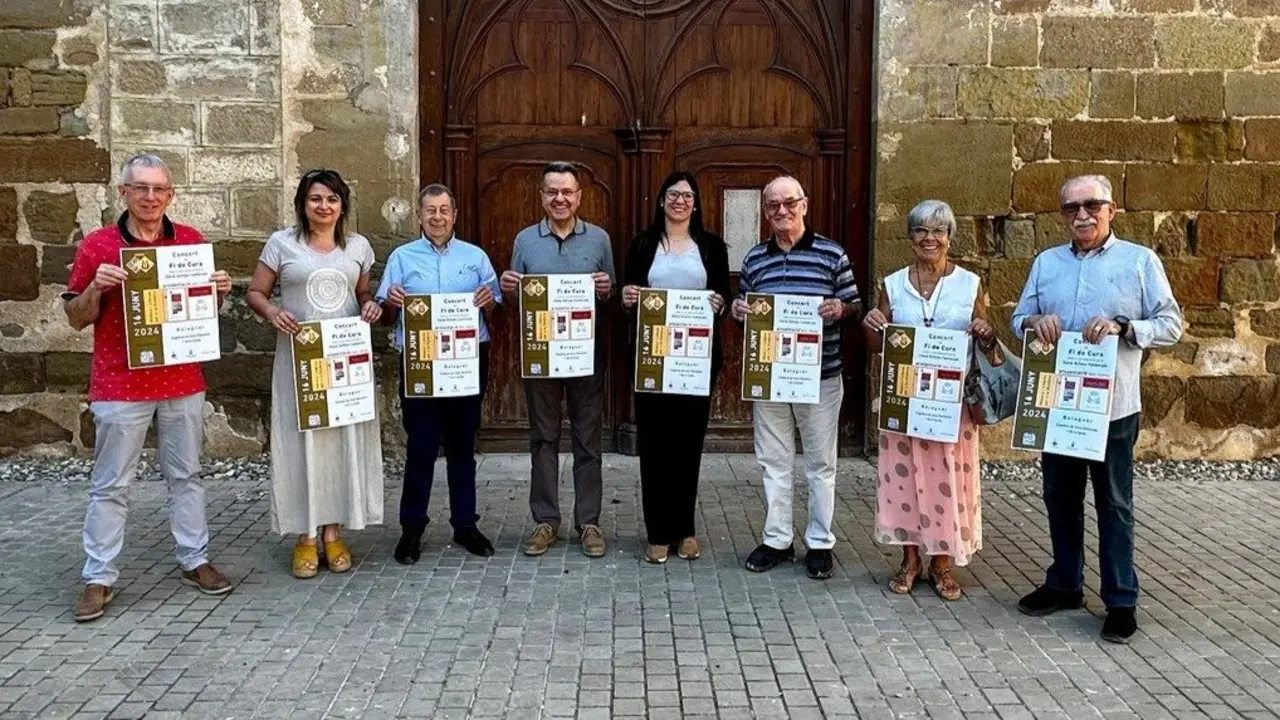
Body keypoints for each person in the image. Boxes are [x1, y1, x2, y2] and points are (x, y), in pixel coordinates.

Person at [1011, 175, 1183, 643]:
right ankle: (1065, 583)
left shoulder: (1140, 262)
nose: (1081, 215)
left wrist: (1125, 327)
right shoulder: (1047, 263)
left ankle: (1121, 599)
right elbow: (1016, 318)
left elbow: (1172, 324)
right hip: (1058, 404)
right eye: (1071, 208)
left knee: (1115, 502)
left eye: (1091, 205)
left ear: (1111, 210)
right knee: (1059, 497)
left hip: (1114, 406)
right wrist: (1033, 320)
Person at [64, 153, 234, 622]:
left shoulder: (191, 243)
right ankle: (98, 576)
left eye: (159, 189)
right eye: (140, 188)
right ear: (123, 192)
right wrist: (96, 289)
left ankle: (195, 559)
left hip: (182, 381)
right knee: (111, 484)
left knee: (187, 476)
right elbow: (75, 318)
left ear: (171, 194)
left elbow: (200, 320)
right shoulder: (98, 246)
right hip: (119, 384)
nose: (150, 197)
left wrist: (215, 293)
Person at [245, 169, 385, 579]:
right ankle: (304, 535)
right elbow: (256, 291)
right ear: (302, 204)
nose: (324, 207)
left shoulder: (357, 246)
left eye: (332, 200)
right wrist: (272, 312)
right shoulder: (281, 244)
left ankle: (333, 531)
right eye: (315, 199)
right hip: (298, 358)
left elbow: (362, 293)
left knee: (341, 440)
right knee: (300, 438)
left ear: (342, 206)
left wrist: (370, 306)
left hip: (344, 361)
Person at [730, 176, 861, 580]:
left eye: (789, 203)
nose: (781, 211)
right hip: (769, 375)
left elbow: (855, 306)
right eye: (773, 205)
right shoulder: (754, 259)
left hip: (819, 376)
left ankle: (820, 542)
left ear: (805, 204)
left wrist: (841, 310)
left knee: (821, 463)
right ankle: (777, 540)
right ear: (765, 211)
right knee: (773, 460)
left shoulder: (831, 254)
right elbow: (748, 311)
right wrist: (739, 314)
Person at [862, 200, 994, 601]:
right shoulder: (893, 283)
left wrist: (985, 330)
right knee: (904, 481)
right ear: (910, 238)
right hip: (904, 398)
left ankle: (942, 563)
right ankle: (910, 559)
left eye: (938, 231)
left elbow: (987, 344)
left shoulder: (970, 284)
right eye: (921, 230)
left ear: (950, 237)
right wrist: (872, 325)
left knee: (947, 481)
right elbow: (875, 346)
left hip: (950, 403)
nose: (930, 238)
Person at [377, 184, 500, 562]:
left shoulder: (475, 256)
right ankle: (412, 529)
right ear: (419, 216)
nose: (437, 217)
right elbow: (385, 315)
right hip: (421, 363)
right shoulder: (401, 257)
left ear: (455, 215)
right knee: (422, 448)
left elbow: (495, 306)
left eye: (444, 210)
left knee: (463, 447)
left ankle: (465, 525)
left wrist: (487, 301)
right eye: (430, 210)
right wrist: (393, 303)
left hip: (466, 362)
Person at [498, 162, 615, 558]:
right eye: (552, 192)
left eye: (567, 192)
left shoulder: (598, 239)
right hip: (542, 354)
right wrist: (509, 287)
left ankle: (589, 522)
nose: (560, 199)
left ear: (579, 196)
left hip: (585, 355)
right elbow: (516, 301)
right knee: (543, 438)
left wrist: (605, 287)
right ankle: (545, 520)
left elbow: (609, 294)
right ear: (542, 196)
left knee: (588, 440)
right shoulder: (525, 240)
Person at [620, 171, 731, 564]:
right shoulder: (644, 243)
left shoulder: (712, 246)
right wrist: (628, 295)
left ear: (696, 203)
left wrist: (719, 303)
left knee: (687, 444)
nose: (680, 201)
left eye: (687, 195)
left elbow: (726, 297)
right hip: (653, 357)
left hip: (696, 361)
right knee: (654, 445)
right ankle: (658, 532)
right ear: (662, 200)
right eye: (673, 194)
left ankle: (684, 529)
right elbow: (627, 291)